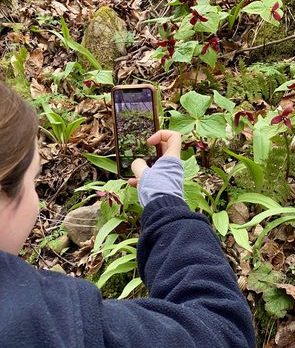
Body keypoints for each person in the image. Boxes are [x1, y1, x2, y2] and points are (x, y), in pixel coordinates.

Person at [0, 81, 256, 347]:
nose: (37, 199)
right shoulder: (49, 322)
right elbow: (222, 331)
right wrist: (165, 201)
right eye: (34, 180)